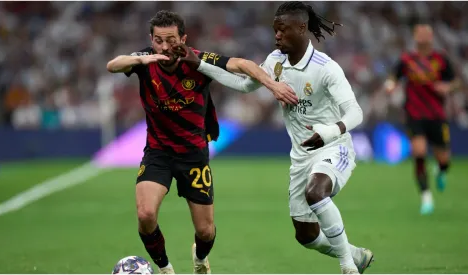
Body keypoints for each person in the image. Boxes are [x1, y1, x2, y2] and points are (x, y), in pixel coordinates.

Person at [173, 2, 374, 274]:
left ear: (301, 28)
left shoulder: (326, 68)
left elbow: (355, 113)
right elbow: (244, 84)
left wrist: (328, 131)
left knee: (316, 192)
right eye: (274, 30)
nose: (276, 35)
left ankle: (348, 267)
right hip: (301, 157)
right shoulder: (275, 62)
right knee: (305, 235)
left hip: (334, 147)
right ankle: (355, 255)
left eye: (282, 30)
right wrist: (200, 65)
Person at [106, 10, 298, 275]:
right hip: (158, 152)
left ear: (183, 38)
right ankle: (164, 269)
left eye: (171, 39)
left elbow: (243, 65)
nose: (165, 46)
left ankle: (199, 259)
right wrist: (143, 58)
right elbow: (113, 65)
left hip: (194, 156)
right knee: (145, 215)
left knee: (205, 231)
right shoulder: (143, 61)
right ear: (151, 40)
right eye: (159, 40)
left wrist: (273, 86)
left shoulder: (198, 60)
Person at [384, 24, 458, 215]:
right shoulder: (407, 59)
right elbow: (393, 76)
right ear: (415, 37)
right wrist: (390, 85)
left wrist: (448, 87)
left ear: (431, 37)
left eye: (427, 34)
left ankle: (441, 170)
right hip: (414, 114)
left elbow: (455, 81)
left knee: (444, 159)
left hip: (437, 115)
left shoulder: (441, 59)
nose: (423, 37)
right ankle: (426, 196)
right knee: (419, 152)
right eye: (420, 34)